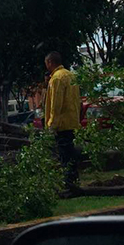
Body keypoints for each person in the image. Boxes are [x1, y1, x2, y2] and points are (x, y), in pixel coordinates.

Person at [44, 52, 82, 187]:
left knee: (65, 155)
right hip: (72, 121)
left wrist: (51, 124)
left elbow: (56, 104)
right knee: (71, 154)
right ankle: (74, 179)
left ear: (50, 62)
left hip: (62, 124)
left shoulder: (56, 79)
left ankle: (68, 183)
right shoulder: (71, 75)